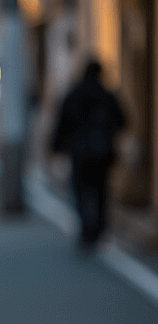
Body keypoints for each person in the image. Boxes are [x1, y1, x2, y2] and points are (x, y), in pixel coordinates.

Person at [52, 59, 125, 248]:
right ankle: (99, 228)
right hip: (103, 153)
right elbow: (123, 121)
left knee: (80, 190)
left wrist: (55, 147)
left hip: (80, 153)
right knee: (101, 190)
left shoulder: (74, 95)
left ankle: (86, 227)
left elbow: (62, 124)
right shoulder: (108, 96)